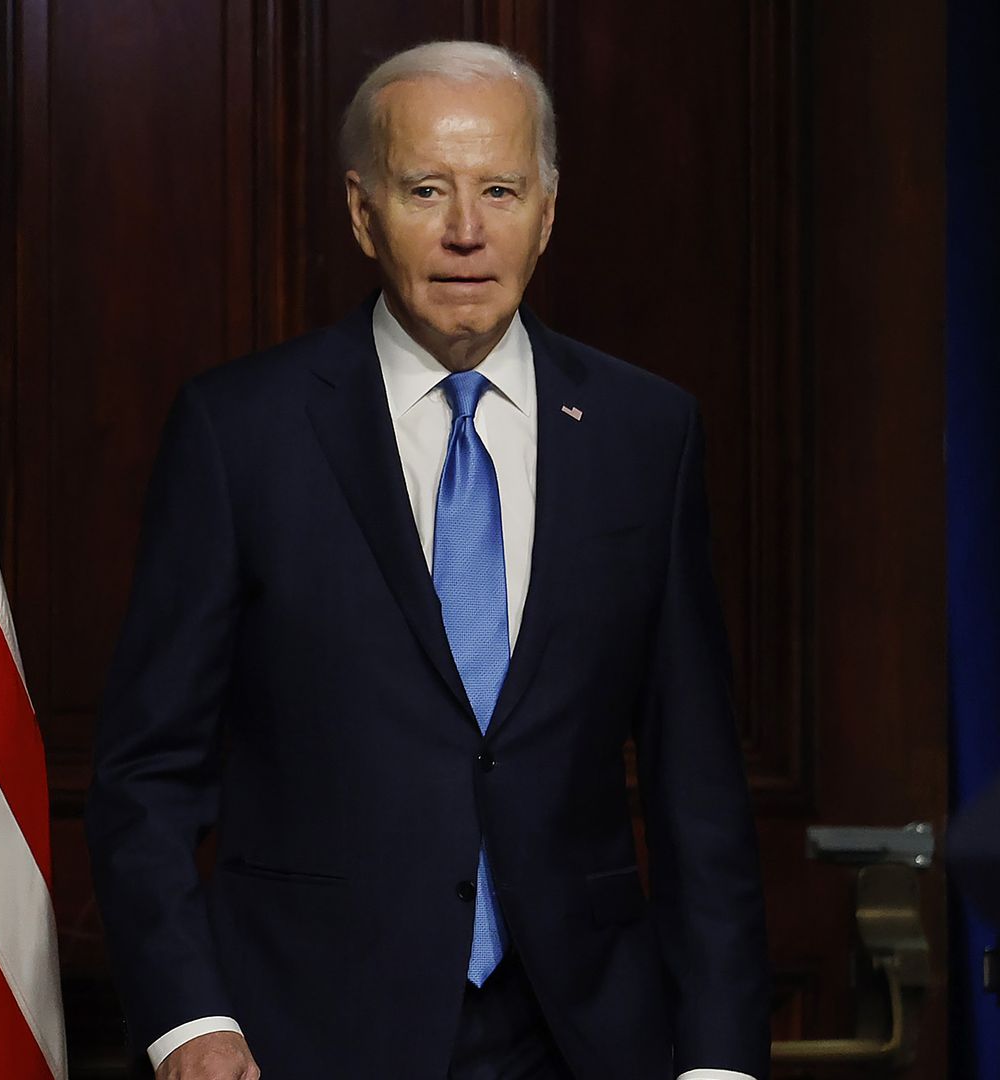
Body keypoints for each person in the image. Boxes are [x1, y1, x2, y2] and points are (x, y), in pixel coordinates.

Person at [85, 40, 771, 1080]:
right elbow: (147, 773)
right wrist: (189, 1020)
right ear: (363, 212)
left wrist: (720, 1060)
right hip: (306, 1036)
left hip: (583, 1037)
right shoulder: (243, 433)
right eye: (425, 191)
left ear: (548, 210)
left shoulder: (646, 433)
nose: (466, 231)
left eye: (500, 189)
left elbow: (699, 787)